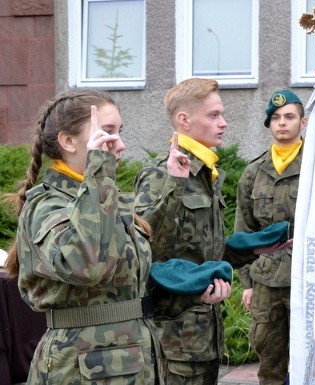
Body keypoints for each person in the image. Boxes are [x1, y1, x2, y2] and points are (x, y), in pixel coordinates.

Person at [2, 89, 163, 384]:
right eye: (107, 132)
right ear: (67, 141)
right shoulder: (48, 204)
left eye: (119, 132)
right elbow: (86, 266)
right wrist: (99, 171)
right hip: (81, 367)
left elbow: (131, 283)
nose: (120, 144)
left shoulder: (104, 198)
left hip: (131, 363)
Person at [134, 78, 232, 385]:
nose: (223, 123)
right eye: (213, 115)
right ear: (184, 120)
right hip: (174, 334)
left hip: (205, 329)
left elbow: (203, 250)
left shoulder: (206, 174)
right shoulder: (161, 173)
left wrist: (254, 250)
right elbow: (144, 247)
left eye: (221, 115)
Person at [234, 89, 306, 385]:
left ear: (303, 122)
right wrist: (247, 283)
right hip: (265, 281)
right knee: (269, 364)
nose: (282, 123)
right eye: (275, 118)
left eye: (289, 116)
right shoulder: (254, 171)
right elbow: (244, 232)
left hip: (304, 277)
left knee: (307, 360)